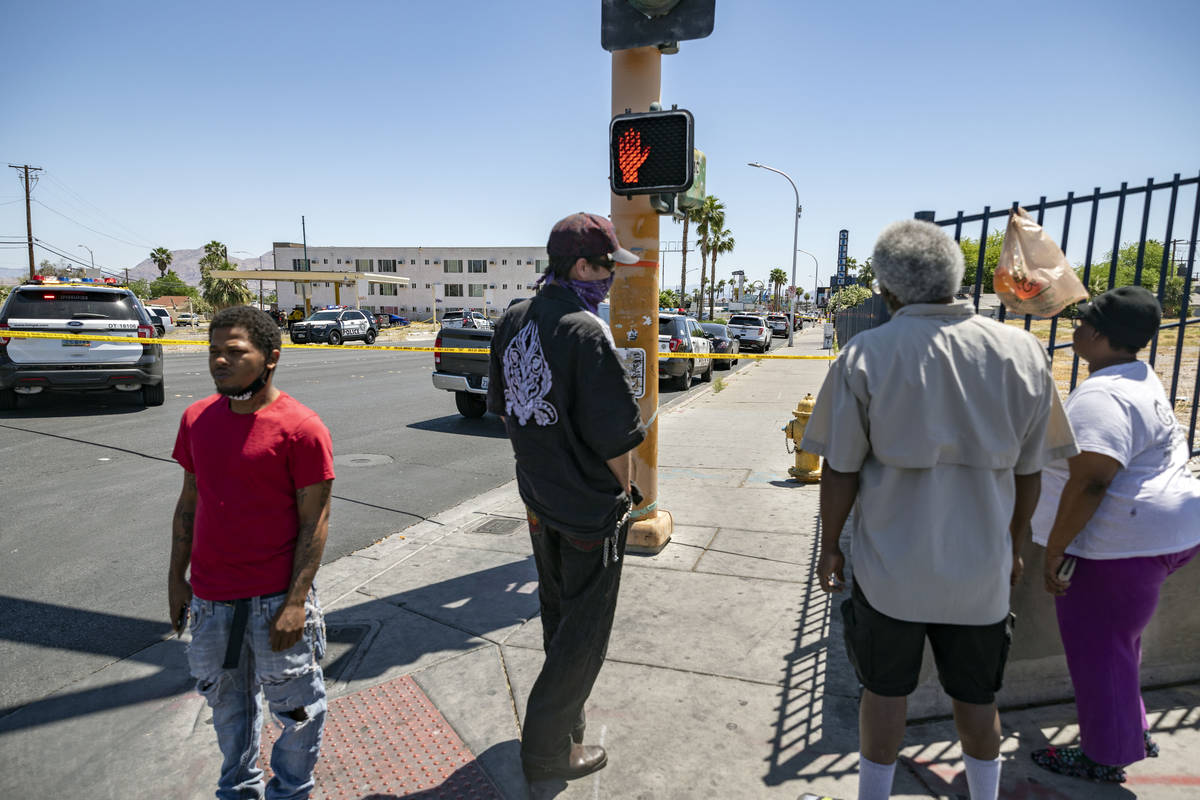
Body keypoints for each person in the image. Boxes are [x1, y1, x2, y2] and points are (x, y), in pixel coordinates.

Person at [800, 220, 1078, 800]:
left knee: (884, 695)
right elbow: (1032, 471)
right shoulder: (1021, 352)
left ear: (888, 290)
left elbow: (841, 470)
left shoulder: (864, 355)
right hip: (980, 575)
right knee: (977, 702)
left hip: (889, 575)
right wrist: (1014, 544)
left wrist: (830, 547)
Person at [486, 212, 644, 784]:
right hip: (587, 510)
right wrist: (624, 496)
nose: (612, 280)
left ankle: (566, 720)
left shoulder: (513, 319)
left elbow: (505, 412)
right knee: (585, 635)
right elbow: (615, 439)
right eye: (607, 268)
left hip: (539, 499)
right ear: (582, 266)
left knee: (559, 615)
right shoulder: (584, 329)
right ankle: (548, 750)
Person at [1029, 286, 1200, 783]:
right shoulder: (1137, 376)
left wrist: (1055, 550)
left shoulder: (1104, 395)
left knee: (1098, 650)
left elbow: (1092, 481)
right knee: (1119, 643)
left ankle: (1104, 756)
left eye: (1083, 322)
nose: (1076, 327)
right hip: (1163, 536)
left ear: (1099, 335)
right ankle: (1129, 729)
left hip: (1121, 548)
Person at [169, 305, 335, 800]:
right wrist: (177, 579)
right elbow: (189, 502)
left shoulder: (302, 428)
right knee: (228, 710)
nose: (219, 361)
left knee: (299, 712)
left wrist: (294, 603)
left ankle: (291, 791)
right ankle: (239, 791)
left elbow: (316, 522)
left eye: (234, 352)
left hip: (274, 603)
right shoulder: (197, 419)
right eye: (214, 352)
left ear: (270, 358)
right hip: (212, 602)